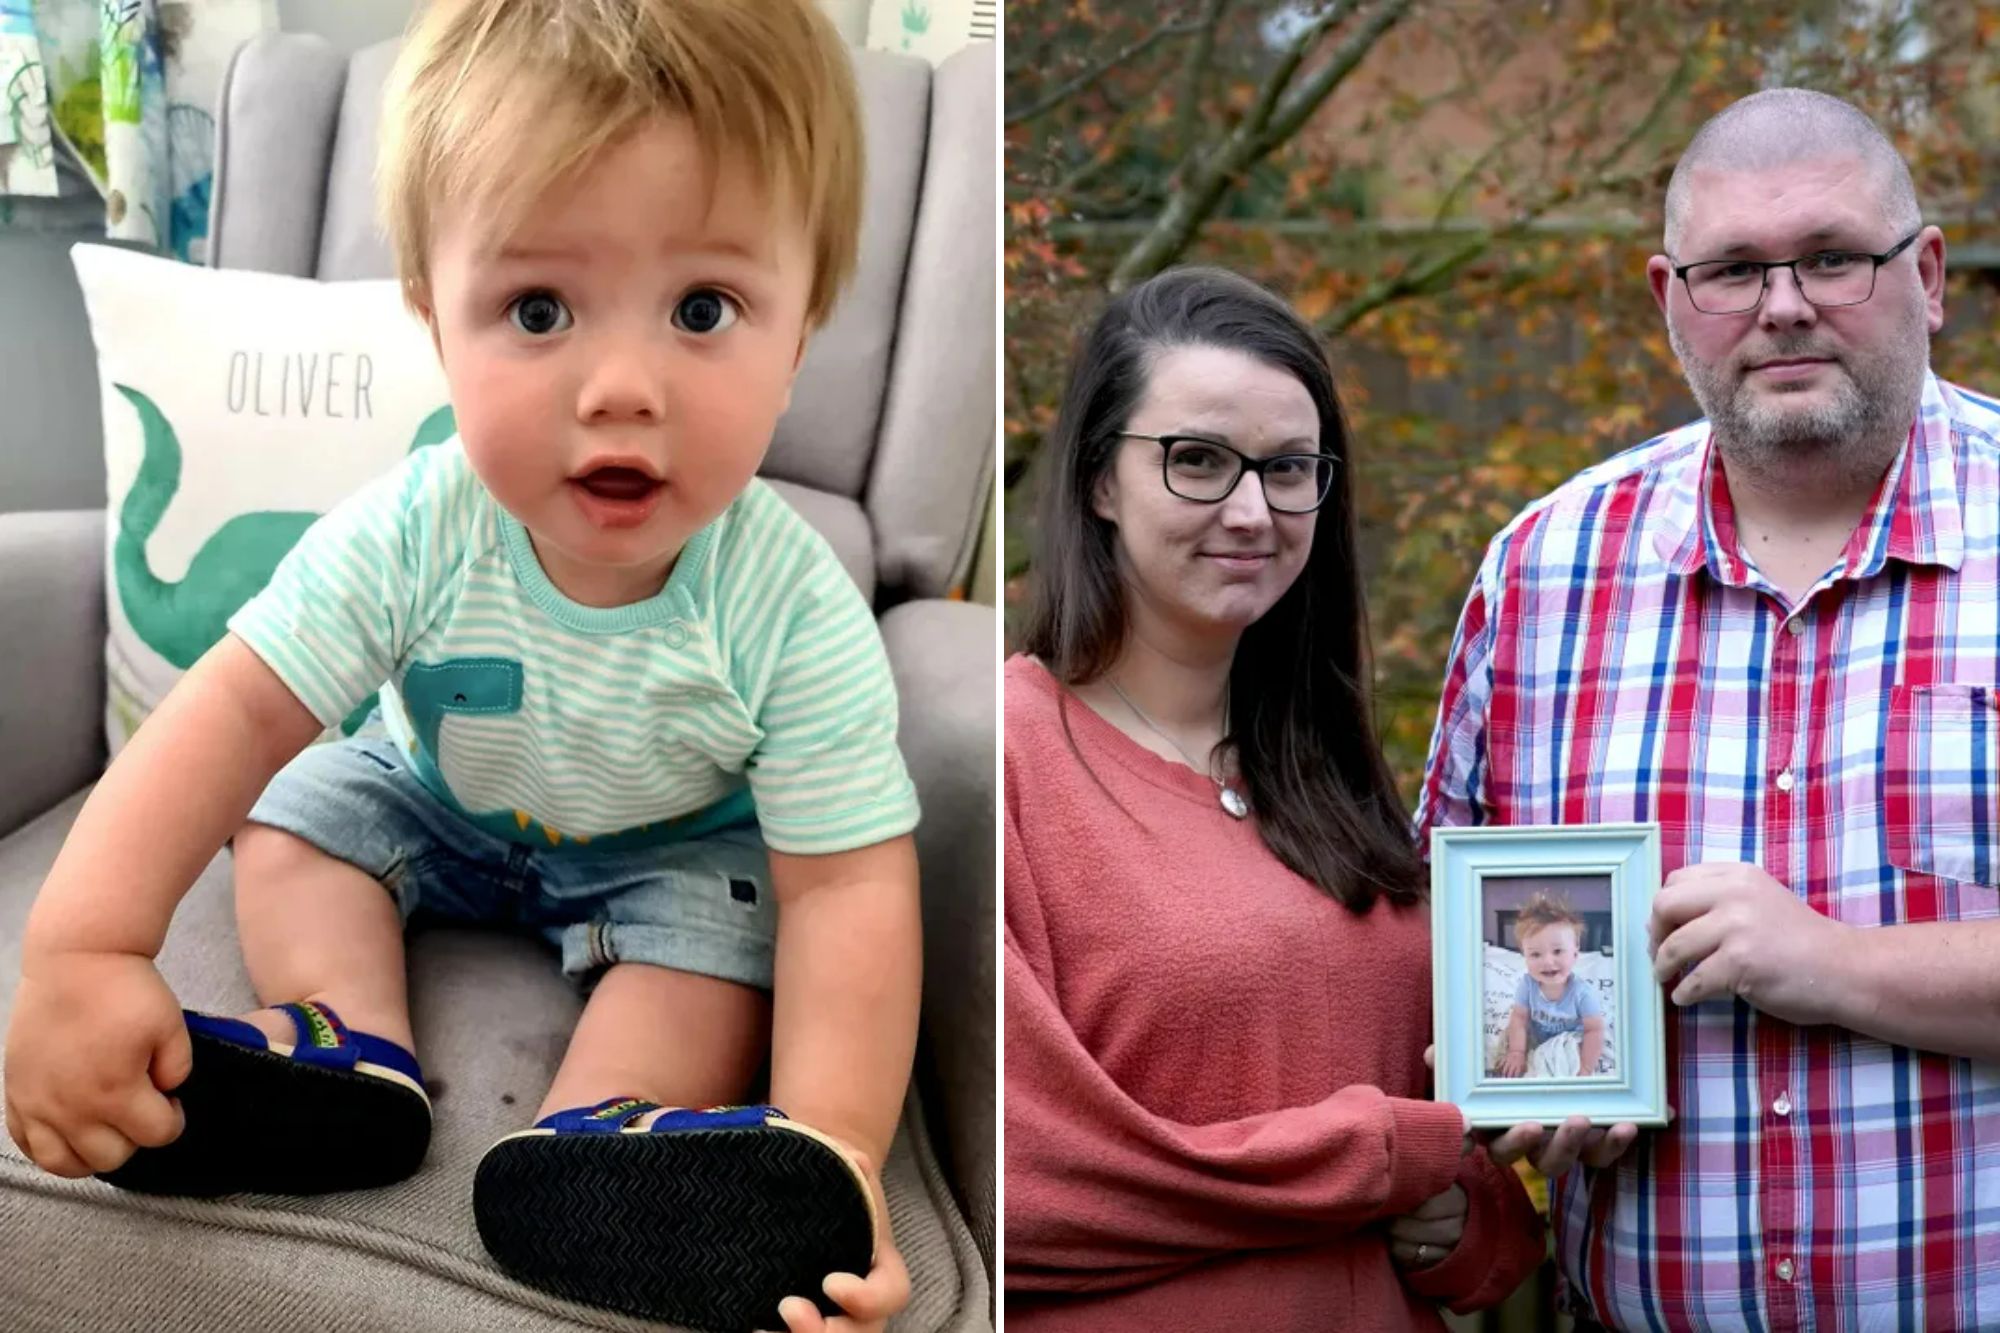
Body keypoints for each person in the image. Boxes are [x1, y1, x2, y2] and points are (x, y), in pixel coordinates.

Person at [1, 3, 918, 1330]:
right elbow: (238, 708)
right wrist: (82, 949)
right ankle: (343, 1041)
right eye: (538, 308)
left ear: (802, 331)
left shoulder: (793, 606)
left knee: (728, 937)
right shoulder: (419, 525)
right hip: (432, 796)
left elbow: (846, 892)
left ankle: (605, 1135)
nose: (620, 385)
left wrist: (841, 1158)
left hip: (664, 851)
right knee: (297, 807)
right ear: (438, 322)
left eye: (702, 308)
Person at [1419, 87, 2000, 1330]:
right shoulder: (1541, 574)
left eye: (1830, 258)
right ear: (1666, 300)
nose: (1781, 305)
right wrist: (1517, 1082)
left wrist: (1835, 963)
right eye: (1731, 268)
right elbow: (1433, 955)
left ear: (1930, 274)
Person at [1005, 265, 1550, 1332]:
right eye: (1197, 461)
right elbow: (1030, 1186)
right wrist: (1386, 1158)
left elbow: (1455, 1175)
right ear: (1097, 482)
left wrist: (1457, 1216)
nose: (1250, 510)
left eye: (1288, 469)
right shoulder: (1013, 760)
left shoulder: (1329, 776)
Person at [1495, 893, 1605, 1079]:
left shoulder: (1583, 994)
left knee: (1568, 1054)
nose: (1548, 961)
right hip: (1537, 1035)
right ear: (1525, 956)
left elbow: (1594, 1030)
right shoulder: (1527, 984)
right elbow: (1520, 1018)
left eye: (1557, 951)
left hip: (1570, 1037)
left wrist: (1585, 1069)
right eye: (1535, 954)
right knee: (1506, 1041)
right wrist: (1517, 1052)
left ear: (1575, 953)